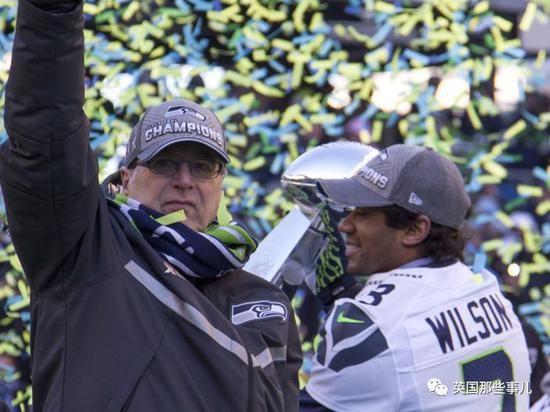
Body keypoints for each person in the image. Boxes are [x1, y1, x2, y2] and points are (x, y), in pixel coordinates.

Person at [0, 0, 301, 411]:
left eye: (203, 167)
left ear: (219, 185)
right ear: (125, 180)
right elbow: (45, 131)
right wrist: (52, 12)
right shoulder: (84, 248)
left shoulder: (265, 299)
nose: (184, 180)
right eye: (163, 163)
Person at [299, 144, 532, 411]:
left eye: (363, 213)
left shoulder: (373, 328)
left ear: (414, 230)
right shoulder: (489, 291)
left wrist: (268, 324)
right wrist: (342, 294)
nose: (345, 224)